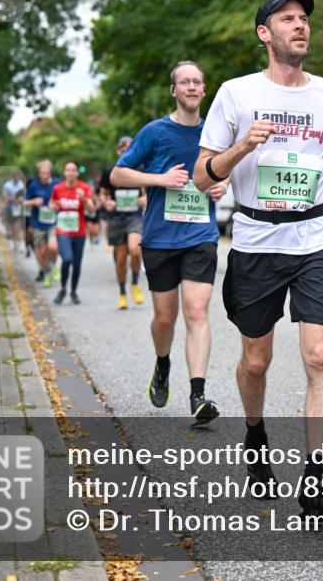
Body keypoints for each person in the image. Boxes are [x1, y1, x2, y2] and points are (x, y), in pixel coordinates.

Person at [194, 0, 323, 517]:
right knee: (256, 359)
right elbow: (207, 172)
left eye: (304, 19)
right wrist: (243, 147)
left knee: (319, 356)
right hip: (256, 241)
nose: (300, 26)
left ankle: (316, 472)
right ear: (264, 33)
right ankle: (255, 439)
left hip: (317, 237)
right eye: (288, 19)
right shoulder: (234, 93)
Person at [111, 61, 226, 428]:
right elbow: (117, 174)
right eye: (184, 82)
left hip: (200, 237)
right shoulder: (154, 132)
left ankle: (197, 394)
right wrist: (158, 179)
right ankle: (162, 363)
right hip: (160, 237)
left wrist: (223, 186)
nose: (191, 87)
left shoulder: (216, 134)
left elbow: (230, 171)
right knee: (165, 317)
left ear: (204, 90)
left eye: (197, 81)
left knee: (196, 312)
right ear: (173, 90)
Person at [101, 136, 147, 310]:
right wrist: (107, 202)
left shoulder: (140, 168)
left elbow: (146, 192)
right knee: (120, 258)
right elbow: (103, 194)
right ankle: (122, 292)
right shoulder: (110, 170)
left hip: (135, 216)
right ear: (118, 151)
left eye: (129, 148)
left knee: (135, 249)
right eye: (122, 148)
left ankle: (135, 282)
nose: (125, 151)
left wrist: (144, 199)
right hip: (117, 218)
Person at [48, 162, 95, 304]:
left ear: (77, 173)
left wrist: (84, 199)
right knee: (67, 259)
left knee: (76, 263)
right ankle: (63, 289)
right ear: (64, 173)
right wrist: (53, 206)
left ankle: (73, 291)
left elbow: (92, 209)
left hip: (79, 231)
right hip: (62, 231)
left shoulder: (84, 188)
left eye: (73, 170)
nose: (70, 173)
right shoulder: (57, 188)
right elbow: (51, 204)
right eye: (68, 170)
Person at [24, 160, 60, 287]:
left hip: (53, 222)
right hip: (38, 223)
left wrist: (57, 205)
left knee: (53, 247)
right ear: (39, 173)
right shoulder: (34, 185)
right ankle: (47, 272)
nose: (45, 175)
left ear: (50, 172)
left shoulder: (56, 183)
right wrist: (34, 201)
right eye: (42, 173)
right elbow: (24, 202)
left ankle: (53, 265)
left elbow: (63, 198)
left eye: (47, 172)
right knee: (42, 252)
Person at [1, 171, 25, 249]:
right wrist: (11, 200)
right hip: (9, 206)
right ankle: (13, 240)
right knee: (11, 225)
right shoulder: (7, 185)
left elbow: (24, 194)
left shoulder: (21, 184)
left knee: (18, 225)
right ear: (13, 177)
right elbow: (4, 197)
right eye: (15, 177)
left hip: (18, 206)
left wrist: (20, 199)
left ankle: (18, 241)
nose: (16, 178)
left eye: (18, 177)